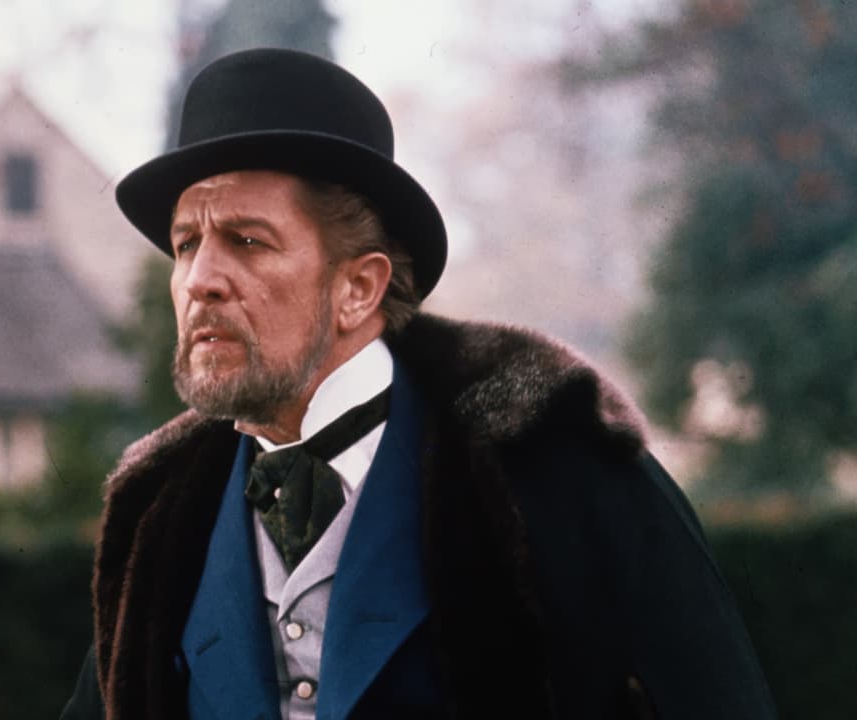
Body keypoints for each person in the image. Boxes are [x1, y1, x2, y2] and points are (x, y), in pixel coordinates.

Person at [60, 47, 776, 720]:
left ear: (358, 289)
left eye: (247, 241)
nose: (200, 280)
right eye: (187, 243)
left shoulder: (559, 462)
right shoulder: (160, 513)